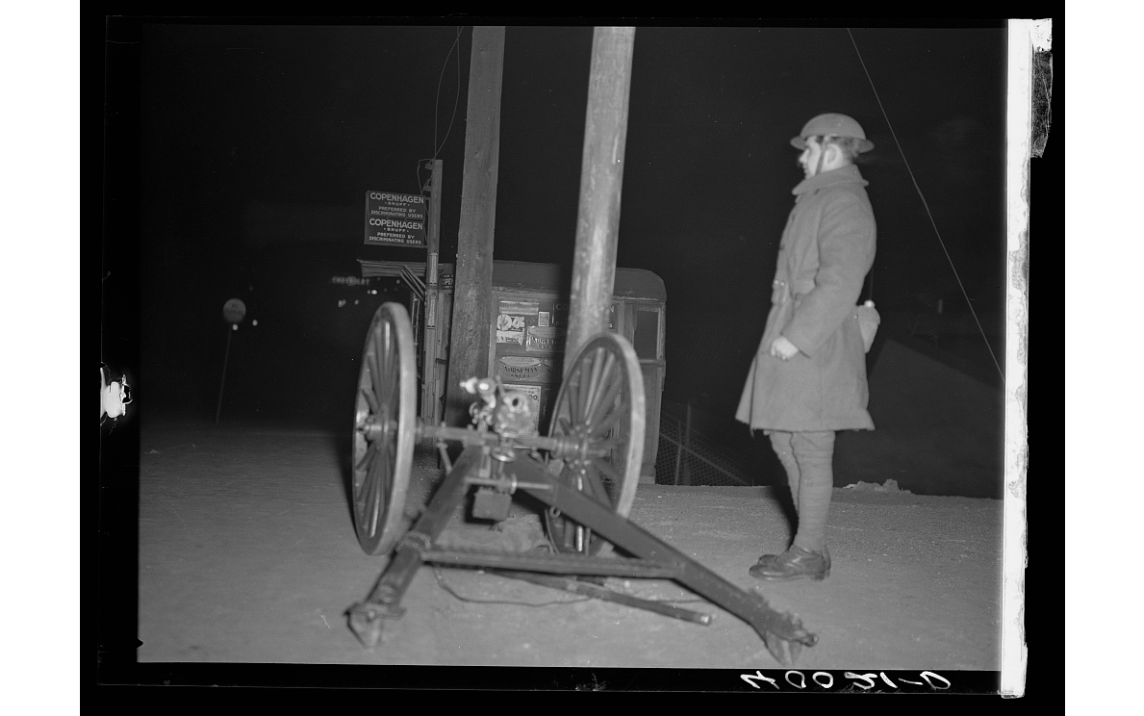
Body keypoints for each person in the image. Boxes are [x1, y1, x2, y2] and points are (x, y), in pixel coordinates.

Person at [736, 113, 877, 581]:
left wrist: (796, 338)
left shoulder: (843, 201)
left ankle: (808, 551)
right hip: (795, 324)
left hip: (820, 338)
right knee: (782, 434)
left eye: (808, 148)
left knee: (812, 444)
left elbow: (840, 280)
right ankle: (809, 546)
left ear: (831, 150)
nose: (800, 157)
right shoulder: (820, 197)